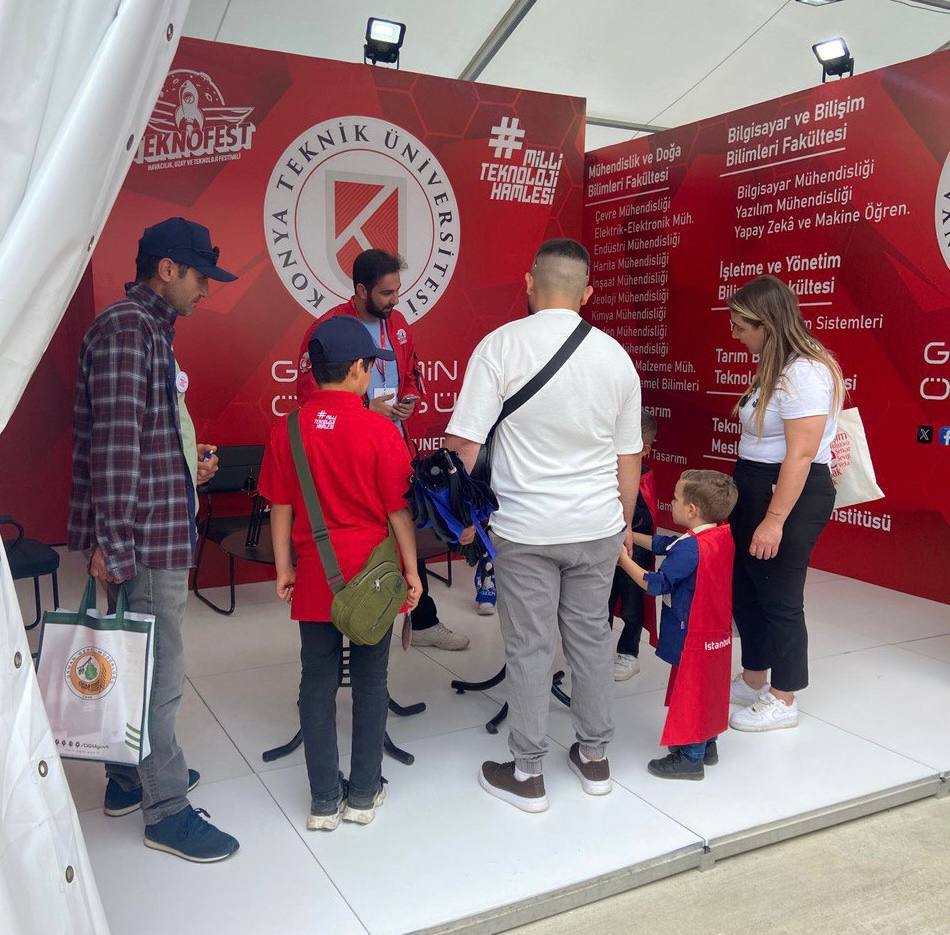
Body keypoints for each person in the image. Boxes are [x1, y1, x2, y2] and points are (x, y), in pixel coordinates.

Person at [445, 238, 642, 813]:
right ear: (587, 293)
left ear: (529, 283)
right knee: (592, 641)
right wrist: (622, 524)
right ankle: (595, 758)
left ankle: (527, 771)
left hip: (526, 529)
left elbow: (464, 445)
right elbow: (628, 455)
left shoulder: (500, 346)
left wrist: (460, 516)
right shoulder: (616, 358)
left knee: (530, 648)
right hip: (597, 525)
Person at [68, 217, 240, 862]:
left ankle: (124, 778)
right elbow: (114, 451)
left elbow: (141, 438)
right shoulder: (127, 331)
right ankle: (164, 810)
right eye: (200, 277)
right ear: (167, 270)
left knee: (135, 661)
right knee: (157, 674)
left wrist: (185, 464)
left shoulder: (146, 330)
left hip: (151, 528)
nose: (207, 290)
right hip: (143, 540)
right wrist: (114, 545)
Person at [260, 316, 422, 831]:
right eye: (370, 366)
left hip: (316, 576)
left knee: (316, 682)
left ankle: (324, 801)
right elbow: (399, 512)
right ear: (356, 369)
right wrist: (412, 572)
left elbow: (280, 505)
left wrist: (284, 567)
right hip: (373, 576)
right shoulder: (379, 430)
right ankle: (364, 794)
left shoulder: (287, 428)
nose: (370, 375)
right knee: (371, 680)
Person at [296, 249, 468, 651]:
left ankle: (421, 619)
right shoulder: (327, 328)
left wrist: (409, 398)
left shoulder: (399, 324)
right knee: (358, 536)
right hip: (347, 454)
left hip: (392, 445)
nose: (395, 300)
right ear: (360, 290)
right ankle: (345, 621)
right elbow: (308, 394)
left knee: (405, 526)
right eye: (386, 293)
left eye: (397, 291)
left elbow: (412, 372)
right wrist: (361, 408)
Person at [726, 275, 844, 732]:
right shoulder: (776, 366)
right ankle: (755, 676)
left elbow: (800, 454)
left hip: (789, 491)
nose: (735, 335)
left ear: (767, 324)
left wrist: (774, 520)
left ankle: (784, 696)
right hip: (755, 483)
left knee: (779, 593)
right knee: (747, 586)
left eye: (741, 327)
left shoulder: (806, 372)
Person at [618, 470, 737, 780]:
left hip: (691, 632)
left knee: (691, 692)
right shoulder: (718, 535)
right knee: (709, 688)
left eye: (675, 498)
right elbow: (666, 544)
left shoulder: (689, 548)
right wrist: (630, 534)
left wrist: (622, 559)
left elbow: (655, 583)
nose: (670, 502)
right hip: (714, 632)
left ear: (691, 510)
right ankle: (707, 745)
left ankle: (690, 758)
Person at [610, 411, 658, 681]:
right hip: (605, 549)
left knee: (632, 604)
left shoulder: (643, 479)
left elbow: (645, 520)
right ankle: (595, 651)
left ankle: (628, 653)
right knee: (600, 603)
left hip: (633, 553)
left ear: (644, 450)